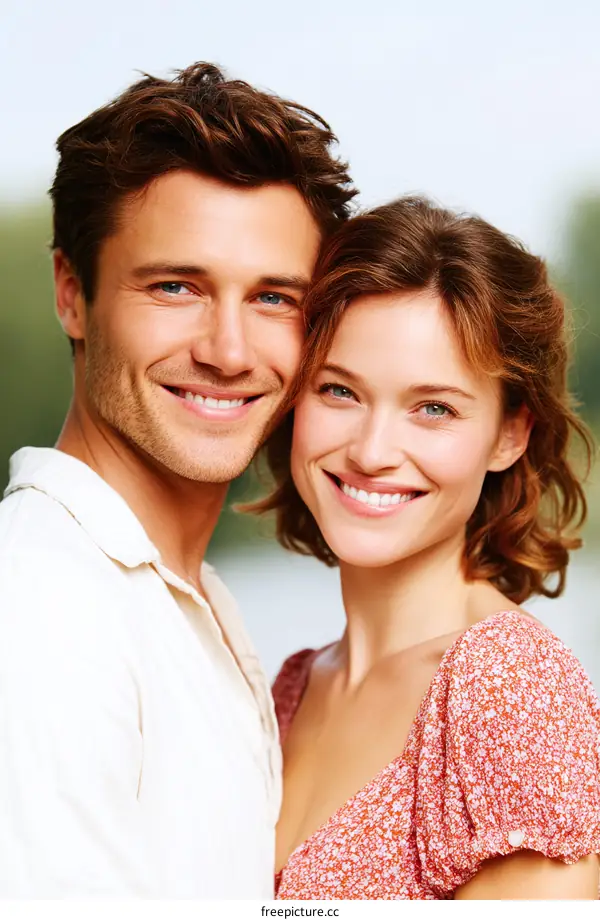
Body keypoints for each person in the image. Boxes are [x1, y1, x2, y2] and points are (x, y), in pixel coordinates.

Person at [0, 62, 355, 898]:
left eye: (273, 298)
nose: (228, 352)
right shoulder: (41, 608)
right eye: (175, 286)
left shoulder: (177, 604)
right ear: (71, 294)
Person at [258, 196, 600, 899]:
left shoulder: (506, 686)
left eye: (433, 408)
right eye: (339, 391)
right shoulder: (292, 686)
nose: (373, 451)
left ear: (510, 434)